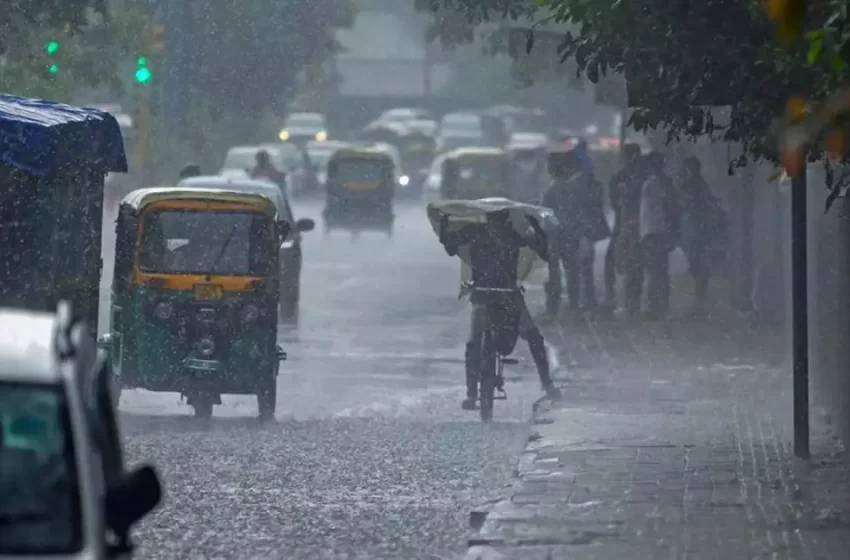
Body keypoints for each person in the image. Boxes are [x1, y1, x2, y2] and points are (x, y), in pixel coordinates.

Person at [438, 209, 562, 410]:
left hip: (493, 296)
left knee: (483, 343)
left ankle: (473, 394)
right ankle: (545, 384)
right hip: (503, 297)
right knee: (482, 342)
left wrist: (445, 226)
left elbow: (450, 247)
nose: (495, 223)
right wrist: (445, 225)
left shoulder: (481, 232)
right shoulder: (506, 233)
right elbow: (542, 249)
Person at [542, 150, 609, 316]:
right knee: (571, 272)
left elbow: (549, 214)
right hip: (569, 235)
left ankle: (554, 308)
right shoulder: (571, 186)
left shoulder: (554, 188)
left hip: (557, 235)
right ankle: (574, 305)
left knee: (556, 273)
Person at [679, 156, 727, 316]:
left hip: (696, 227)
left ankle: (700, 302)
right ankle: (700, 301)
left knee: (697, 263)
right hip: (696, 227)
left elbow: (690, 201)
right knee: (697, 263)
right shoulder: (697, 184)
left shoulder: (694, 184)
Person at [636, 152, 680, 318]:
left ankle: (656, 306)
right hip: (656, 231)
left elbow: (665, 209)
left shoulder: (655, 183)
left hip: (654, 232)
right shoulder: (660, 183)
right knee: (659, 271)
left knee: (655, 271)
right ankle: (659, 305)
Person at [606, 143, 643, 309]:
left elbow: (615, 202)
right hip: (630, 224)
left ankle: (620, 298)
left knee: (625, 261)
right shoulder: (632, 177)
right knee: (631, 262)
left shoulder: (623, 178)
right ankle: (627, 299)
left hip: (628, 225)